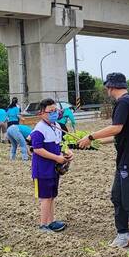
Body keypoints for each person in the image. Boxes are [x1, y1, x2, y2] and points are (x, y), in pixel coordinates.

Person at [78, 73, 129, 255]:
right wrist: (96, 142)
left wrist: (91, 136)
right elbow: (121, 134)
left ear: (110, 87)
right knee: (117, 197)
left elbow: (116, 127)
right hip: (126, 160)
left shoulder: (123, 103)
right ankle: (123, 235)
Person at [31, 98, 73, 233]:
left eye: (55, 111)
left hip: (54, 169)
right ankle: (43, 225)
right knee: (45, 197)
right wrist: (56, 157)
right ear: (42, 113)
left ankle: (51, 222)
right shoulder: (39, 129)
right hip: (42, 169)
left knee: (52, 196)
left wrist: (67, 152)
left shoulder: (57, 126)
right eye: (50, 111)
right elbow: (37, 149)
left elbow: (59, 144)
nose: (54, 113)